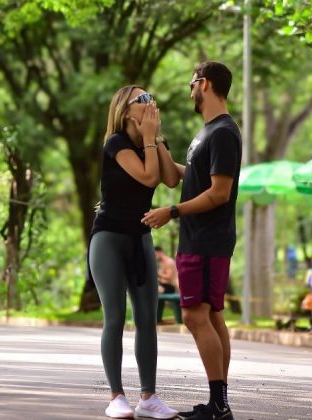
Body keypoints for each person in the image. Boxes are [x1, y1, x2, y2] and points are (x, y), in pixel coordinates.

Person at [142, 61, 241, 420]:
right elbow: (182, 178)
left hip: (206, 238)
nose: (189, 90)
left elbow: (219, 193)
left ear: (206, 84)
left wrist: (173, 211)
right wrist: (155, 142)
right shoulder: (208, 132)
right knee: (211, 315)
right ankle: (220, 403)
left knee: (194, 314)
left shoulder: (224, 133)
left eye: (192, 83)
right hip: (201, 238)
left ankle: (218, 404)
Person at [89, 85, 180, 419]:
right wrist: (149, 139)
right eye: (142, 99)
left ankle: (149, 398)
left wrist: (158, 140)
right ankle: (116, 396)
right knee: (115, 317)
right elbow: (147, 176)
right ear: (126, 111)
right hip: (109, 239)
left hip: (141, 239)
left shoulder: (153, 142)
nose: (150, 102)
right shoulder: (116, 143)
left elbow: (170, 178)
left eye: (151, 96)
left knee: (147, 320)